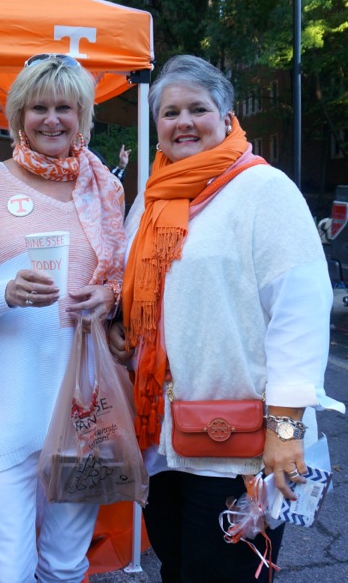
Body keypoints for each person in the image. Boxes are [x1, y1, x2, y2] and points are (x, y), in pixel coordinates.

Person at [109, 55, 345, 582]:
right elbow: (141, 292)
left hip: (237, 445)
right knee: (177, 565)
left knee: (228, 574)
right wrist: (120, 325)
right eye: (170, 112)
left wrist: (285, 430)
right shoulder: (152, 200)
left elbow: (300, 316)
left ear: (227, 113)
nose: (183, 122)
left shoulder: (265, 192)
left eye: (198, 108)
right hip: (162, 439)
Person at [0, 53, 127, 583]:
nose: (52, 120)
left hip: (84, 407)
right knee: (9, 568)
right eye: (38, 108)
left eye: (65, 108)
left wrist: (109, 296)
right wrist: (4, 292)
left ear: (83, 116)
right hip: (8, 406)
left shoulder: (107, 189)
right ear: (18, 117)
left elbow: (122, 280)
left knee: (66, 562)